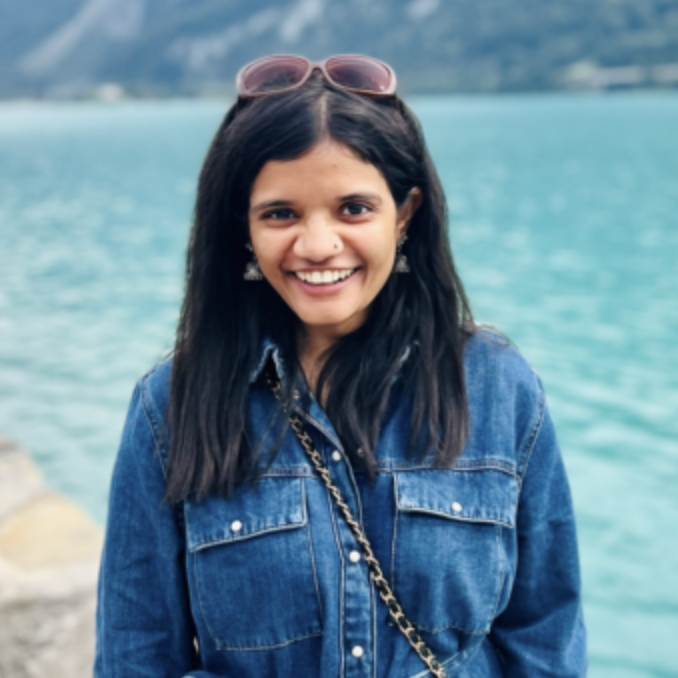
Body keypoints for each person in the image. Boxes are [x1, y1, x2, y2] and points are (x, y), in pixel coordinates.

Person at [94, 55, 587, 678]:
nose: (318, 245)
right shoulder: (170, 406)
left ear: (405, 215)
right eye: (281, 213)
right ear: (243, 227)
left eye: (354, 209)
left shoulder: (497, 387)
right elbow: (134, 657)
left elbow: (546, 637)